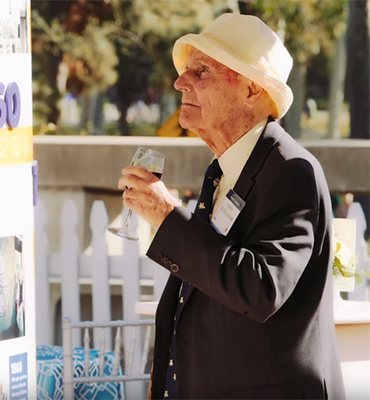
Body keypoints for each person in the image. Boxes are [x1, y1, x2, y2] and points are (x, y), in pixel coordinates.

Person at [116, 13, 345, 399]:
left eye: (201, 71)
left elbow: (260, 288)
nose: (179, 82)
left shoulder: (292, 171)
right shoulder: (223, 170)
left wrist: (169, 217)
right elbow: (201, 287)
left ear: (253, 90)